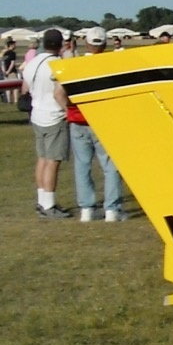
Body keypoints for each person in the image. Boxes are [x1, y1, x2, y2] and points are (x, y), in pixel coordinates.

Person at [69, 27, 127, 221]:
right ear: (104, 44)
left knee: (82, 165)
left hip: (78, 120)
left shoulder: (75, 65)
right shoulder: (111, 65)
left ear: (86, 43)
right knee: (110, 165)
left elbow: (61, 93)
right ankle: (112, 208)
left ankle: (87, 208)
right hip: (103, 120)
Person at [23, 28, 70, 219]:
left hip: (37, 114)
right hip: (54, 115)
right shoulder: (58, 65)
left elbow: (25, 88)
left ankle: (42, 200)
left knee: (42, 158)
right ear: (60, 45)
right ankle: (49, 204)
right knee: (53, 161)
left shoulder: (32, 62)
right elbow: (59, 93)